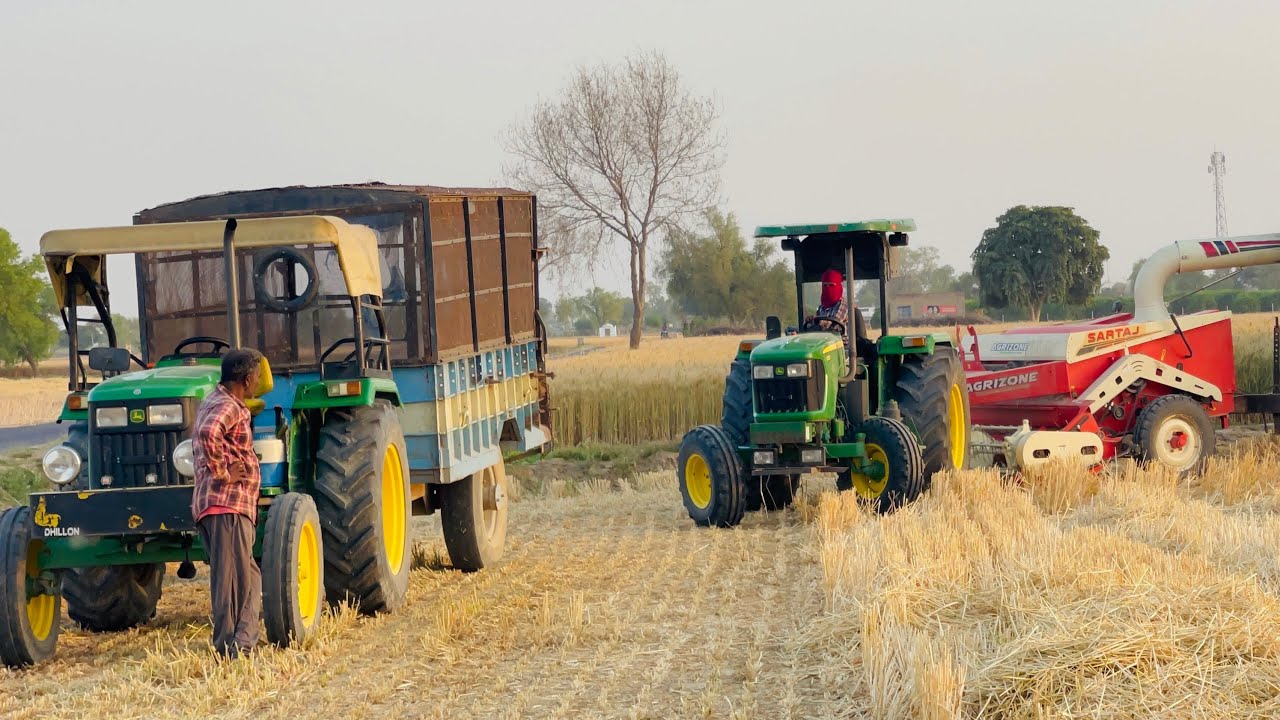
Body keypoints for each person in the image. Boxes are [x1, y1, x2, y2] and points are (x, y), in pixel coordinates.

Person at [191, 348, 264, 659]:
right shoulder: (229, 406)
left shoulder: (213, 399)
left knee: (248, 577)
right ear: (246, 380)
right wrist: (224, 473)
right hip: (228, 505)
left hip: (219, 505)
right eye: (257, 377)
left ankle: (243, 641)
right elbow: (208, 433)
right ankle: (229, 648)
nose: (258, 382)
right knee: (232, 581)